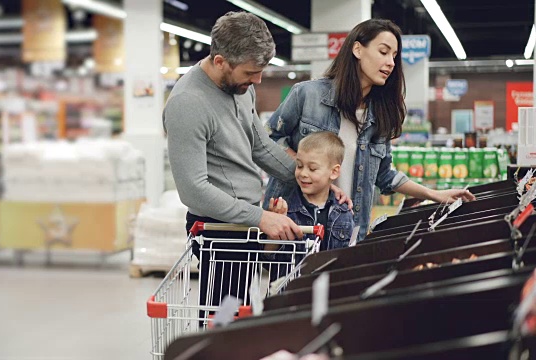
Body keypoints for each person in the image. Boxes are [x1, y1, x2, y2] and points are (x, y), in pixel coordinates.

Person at [163, 12, 349, 319]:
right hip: (218, 229)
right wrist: (260, 217)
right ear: (220, 61)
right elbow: (193, 190)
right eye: (251, 72)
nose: (258, 80)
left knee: (238, 306)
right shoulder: (189, 104)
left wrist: (315, 182)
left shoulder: (241, 88)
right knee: (223, 309)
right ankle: (213, 349)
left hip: (244, 221)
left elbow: (260, 146)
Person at [263, 18, 475, 242]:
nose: (391, 62)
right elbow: (268, 138)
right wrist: (309, 170)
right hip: (293, 225)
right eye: (383, 52)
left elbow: (384, 174)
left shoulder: (380, 114)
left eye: (394, 56)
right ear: (357, 49)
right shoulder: (308, 95)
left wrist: (433, 194)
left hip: (345, 231)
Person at [265, 132, 354, 281]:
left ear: (334, 172)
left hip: (330, 296)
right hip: (289, 295)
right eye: (299, 166)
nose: (303, 174)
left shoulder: (344, 213)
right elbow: (267, 258)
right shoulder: (286, 210)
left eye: (312, 169)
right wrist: (275, 224)